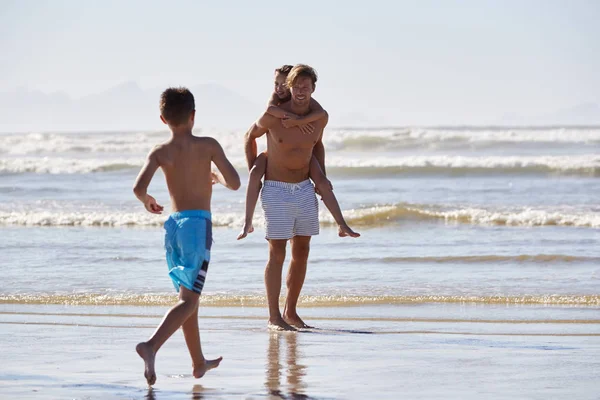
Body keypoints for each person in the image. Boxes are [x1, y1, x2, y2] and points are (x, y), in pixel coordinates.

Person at [133, 87, 240, 385]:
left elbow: (138, 189)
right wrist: (216, 177)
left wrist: (148, 201)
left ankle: (198, 362)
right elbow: (235, 182)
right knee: (190, 301)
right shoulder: (208, 145)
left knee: (187, 298)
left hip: (174, 228)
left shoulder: (160, 152)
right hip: (198, 227)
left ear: (162, 119)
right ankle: (151, 345)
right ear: (193, 116)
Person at [244, 64, 352, 331]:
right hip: (276, 189)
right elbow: (249, 137)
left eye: (306, 87)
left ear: (314, 88)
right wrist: (255, 170)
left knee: (302, 252)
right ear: (289, 87)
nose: (301, 91)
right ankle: (274, 316)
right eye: (296, 86)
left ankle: (291, 312)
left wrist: (321, 176)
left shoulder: (319, 118)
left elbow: (318, 145)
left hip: (304, 188)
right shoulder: (273, 116)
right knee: (277, 252)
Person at [237, 65, 359, 241]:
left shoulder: (316, 111)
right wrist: (253, 168)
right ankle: (247, 222)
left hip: (304, 161)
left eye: (283, 84)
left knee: (324, 183)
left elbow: (319, 125)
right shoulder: (274, 104)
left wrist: (300, 121)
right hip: (273, 158)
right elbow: (261, 122)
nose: (280, 88)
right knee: (255, 174)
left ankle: (342, 224)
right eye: (277, 84)